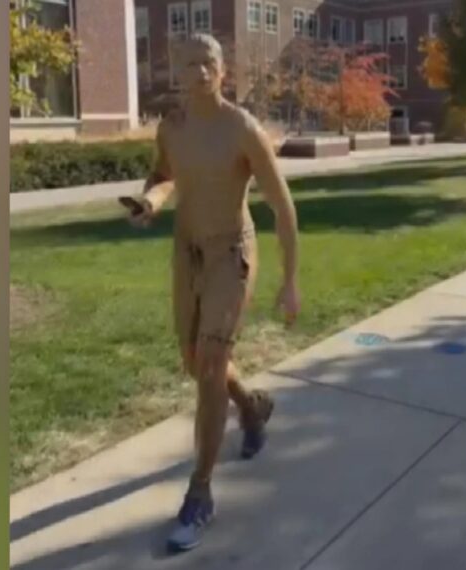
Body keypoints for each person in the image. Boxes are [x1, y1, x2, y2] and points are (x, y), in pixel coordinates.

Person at [122, 33, 300, 552]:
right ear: (174, 72)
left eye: (208, 63)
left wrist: (290, 281)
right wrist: (150, 201)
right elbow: (163, 174)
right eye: (188, 64)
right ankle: (251, 407)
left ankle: (199, 494)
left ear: (224, 71)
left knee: (210, 363)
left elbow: (283, 209)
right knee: (198, 359)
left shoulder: (240, 129)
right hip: (187, 253)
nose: (198, 72)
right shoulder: (171, 127)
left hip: (231, 253)